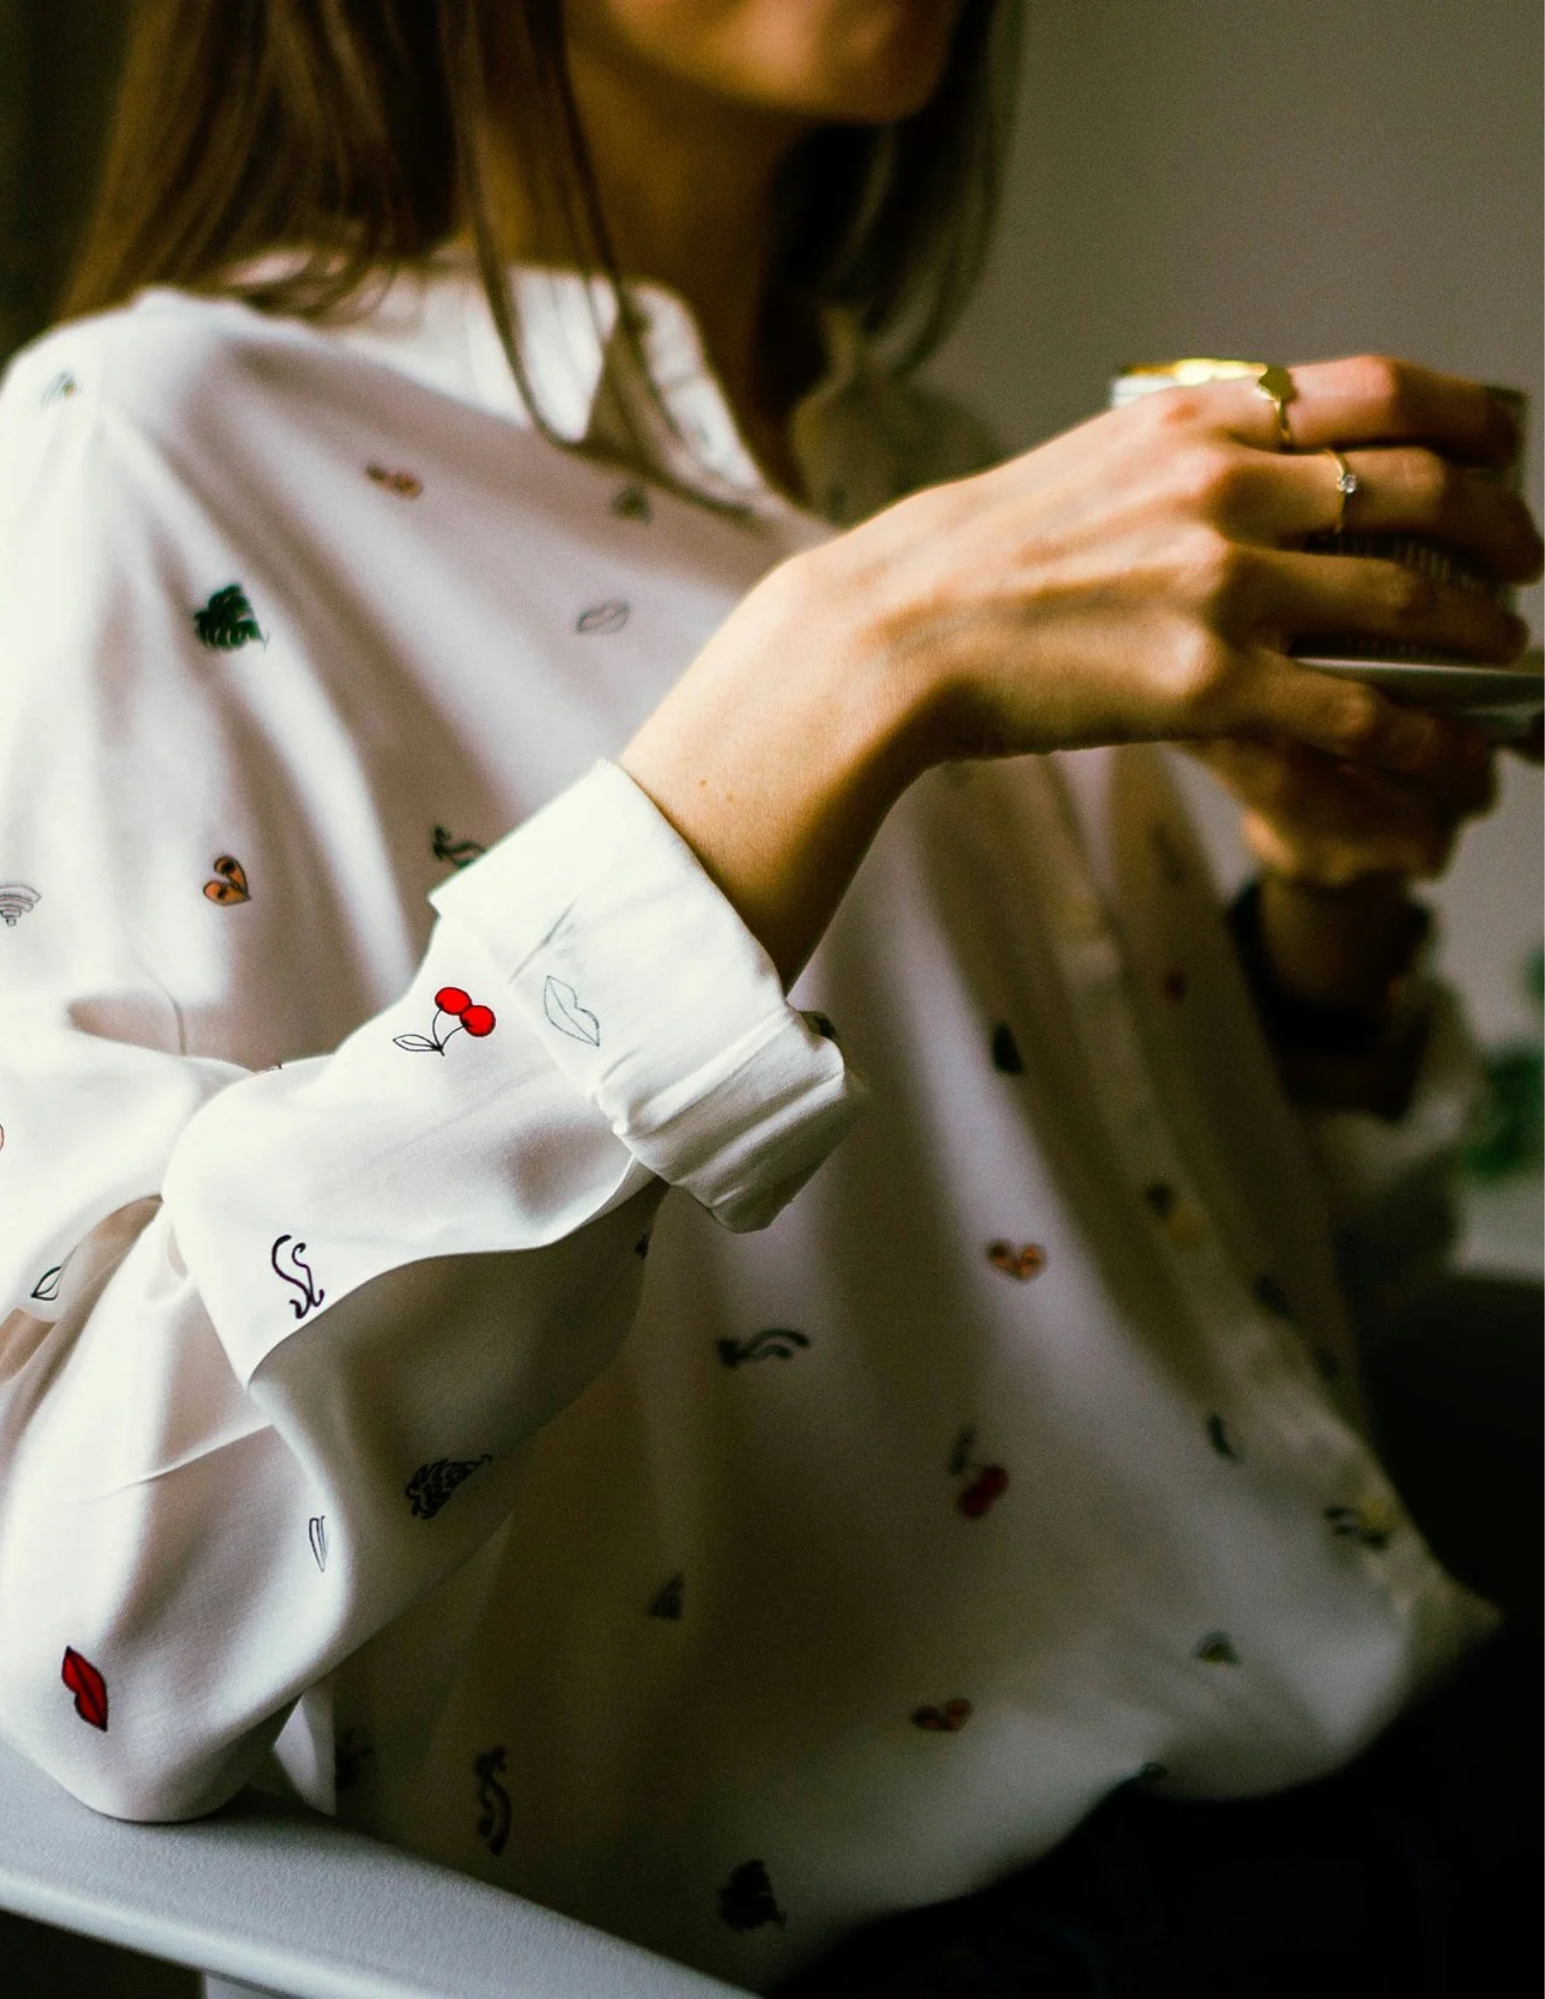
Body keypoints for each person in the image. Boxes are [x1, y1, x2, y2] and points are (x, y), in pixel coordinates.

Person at [0, 2, 1538, 1992]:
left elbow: (1157, 1369)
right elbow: (97, 1644)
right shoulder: (136, 450)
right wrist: (835, 672)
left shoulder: (926, 464)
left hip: (1391, 1810)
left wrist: (1330, 920)